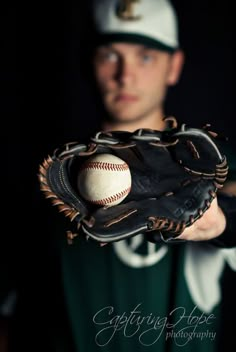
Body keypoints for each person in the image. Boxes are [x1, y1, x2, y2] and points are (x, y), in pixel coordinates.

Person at [4, 0, 236, 351]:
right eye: (111, 55)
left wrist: (221, 221)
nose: (125, 75)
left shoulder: (211, 169)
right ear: (90, 63)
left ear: (174, 66)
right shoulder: (51, 180)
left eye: (145, 57)